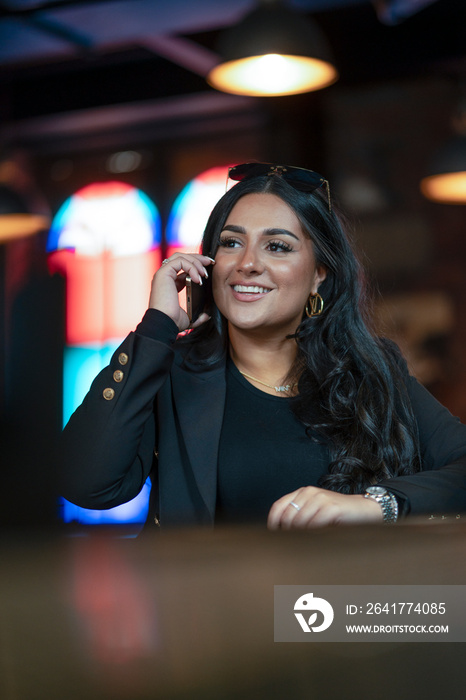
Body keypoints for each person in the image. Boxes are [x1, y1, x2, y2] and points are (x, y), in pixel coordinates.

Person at [60, 162, 466, 529]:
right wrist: (156, 329)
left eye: (278, 246)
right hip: (209, 607)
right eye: (231, 242)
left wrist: (375, 505)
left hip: (338, 606)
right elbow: (88, 484)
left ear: (318, 275)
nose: (247, 263)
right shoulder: (173, 372)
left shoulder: (374, 369)